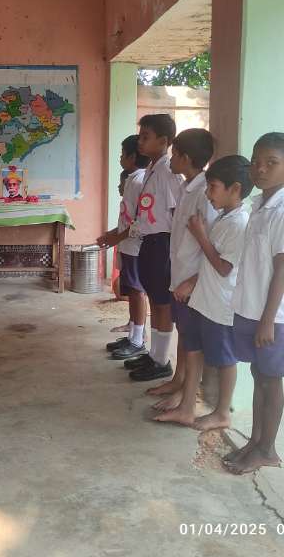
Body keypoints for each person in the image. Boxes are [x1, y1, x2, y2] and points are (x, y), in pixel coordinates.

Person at [225, 133, 284, 474]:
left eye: (271, 163)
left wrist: (266, 319)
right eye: (256, 162)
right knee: (258, 373)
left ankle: (268, 449)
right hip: (251, 308)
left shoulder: (281, 211)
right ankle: (256, 441)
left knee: (271, 379)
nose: (260, 169)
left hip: (272, 316)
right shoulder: (260, 205)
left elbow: (281, 268)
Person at [150, 129, 218, 421]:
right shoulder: (187, 186)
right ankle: (179, 382)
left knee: (193, 342)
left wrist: (193, 280)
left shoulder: (204, 193)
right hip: (180, 274)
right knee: (184, 333)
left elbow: (213, 242)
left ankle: (187, 401)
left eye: (175, 155)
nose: (171, 160)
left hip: (193, 279)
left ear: (186, 158)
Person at [181, 155, 252, 431]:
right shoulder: (226, 217)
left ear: (235, 189)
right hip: (207, 301)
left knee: (225, 359)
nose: (208, 194)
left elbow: (223, 268)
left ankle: (223, 412)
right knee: (207, 351)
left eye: (213, 187)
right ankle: (194, 404)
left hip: (222, 305)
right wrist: (192, 282)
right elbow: (211, 264)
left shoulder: (239, 223)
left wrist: (200, 236)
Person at [120, 114, 182, 382]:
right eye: (141, 136)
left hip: (163, 242)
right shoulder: (152, 170)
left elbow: (177, 212)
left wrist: (173, 249)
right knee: (155, 302)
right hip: (150, 240)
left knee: (162, 304)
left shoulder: (168, 172)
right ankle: (154, 354)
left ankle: (162, 360)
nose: (141, 142)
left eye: (146, 137)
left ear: (164, 141)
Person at [98, 135, 150, 358]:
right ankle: (132, 335)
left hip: (136, 246)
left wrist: (116, 238)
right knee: (132, 291)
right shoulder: (132, 180)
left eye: (122, 154)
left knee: (137, 292)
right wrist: (113, 234)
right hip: (128, 244)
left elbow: (141, 221)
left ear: (132, 157)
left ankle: (138, 340)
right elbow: (127, 218)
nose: (120, 158)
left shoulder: (139, 181)